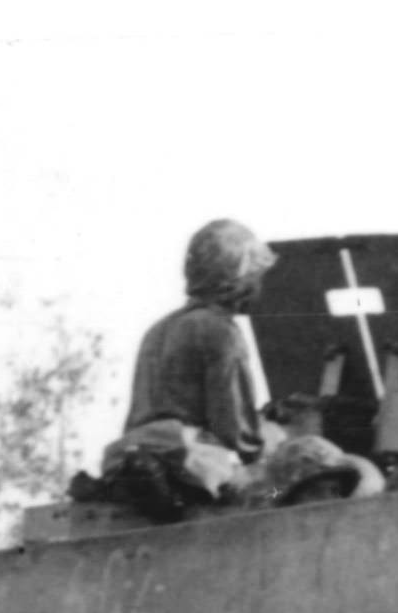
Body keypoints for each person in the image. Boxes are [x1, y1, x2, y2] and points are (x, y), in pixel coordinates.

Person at [103, 219, 376, 516]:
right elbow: (241, 440)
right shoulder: (221, 331)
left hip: (133, 456)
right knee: (311, 467)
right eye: (255, 276)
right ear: (240, 277)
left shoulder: (158, 329)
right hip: (195, 466)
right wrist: (283, 433)